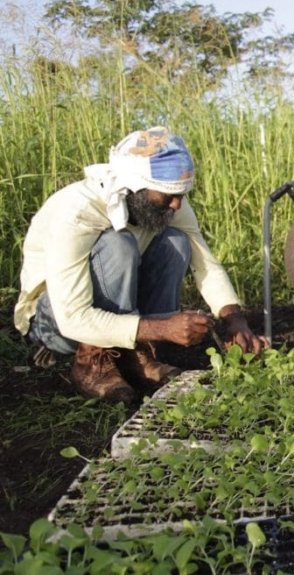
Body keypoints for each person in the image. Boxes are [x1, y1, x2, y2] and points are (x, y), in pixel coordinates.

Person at [14, 126, 269, 403]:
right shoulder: (78, 212)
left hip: (111, 317)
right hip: (56, 325)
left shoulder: (167, 204)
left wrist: (235, 320)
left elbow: (205, 264)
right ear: (133, 187)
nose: (176, 204)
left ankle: (140, 352)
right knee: (117, 244)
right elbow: (72, 319)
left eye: (181, 194)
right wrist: (162, 327)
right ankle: (91, 360)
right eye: (167, 195)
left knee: (176, 241)